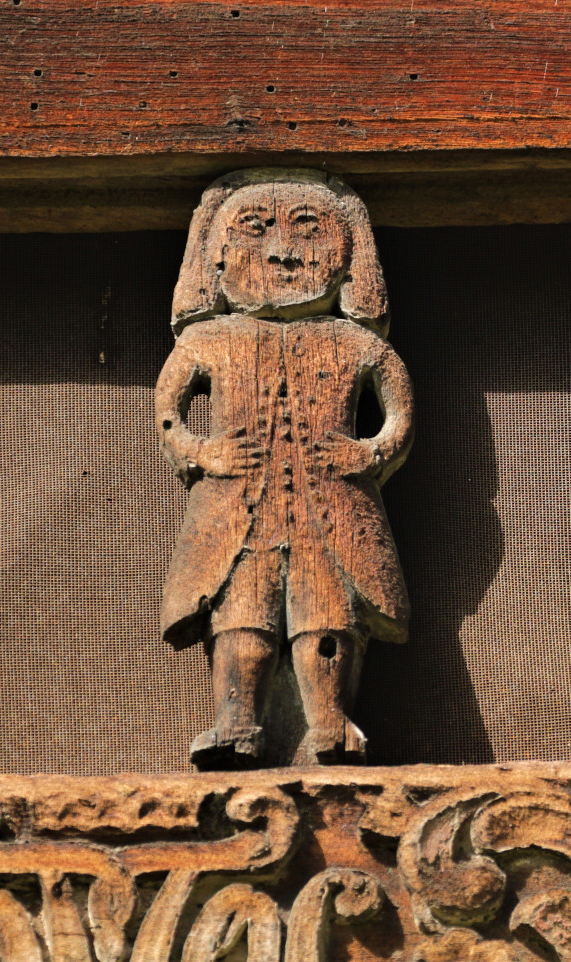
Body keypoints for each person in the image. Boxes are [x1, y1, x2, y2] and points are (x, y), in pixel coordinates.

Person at [156, 168, 412, 768]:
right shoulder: (208, 342)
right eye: (254, 229)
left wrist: (368, 453)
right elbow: (169, 412)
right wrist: (202, 452)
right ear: (215, 257)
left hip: (332, 503)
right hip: (235, 503)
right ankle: (236, 717)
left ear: (350, 256)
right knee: (241, 606)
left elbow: (397, 418)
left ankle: (330, 720)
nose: (280, 250)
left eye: (307, 230)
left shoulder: (357, 346)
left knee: (328, 606)